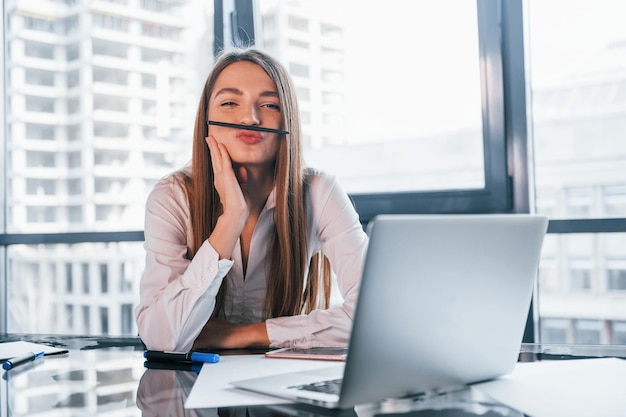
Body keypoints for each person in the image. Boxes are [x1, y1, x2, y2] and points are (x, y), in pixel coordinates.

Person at [135, 47, 368, 353]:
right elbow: (161, 336)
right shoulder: (171, 198)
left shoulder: (319, 191)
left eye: (270, 104)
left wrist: (247, 335)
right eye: (230, 103)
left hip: (279, 379)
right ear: (206, 119)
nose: (250, 118)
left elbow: (373, 317)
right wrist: (231, 218)